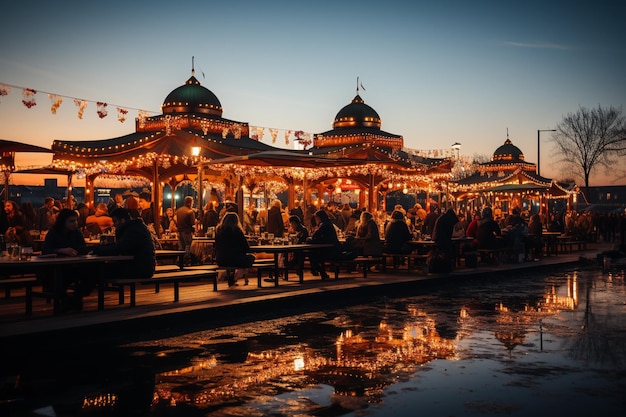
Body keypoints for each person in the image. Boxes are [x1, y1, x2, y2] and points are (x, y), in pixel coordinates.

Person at [41, 209, 91, 310]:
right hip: (53, 269)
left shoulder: (77, 233)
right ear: (63, 221)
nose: (75, 223)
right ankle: (70, 300)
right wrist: (61, 250)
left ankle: (75, 297)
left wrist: (80, 251)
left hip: (73, 266)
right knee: (60, 277)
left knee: (92, 273)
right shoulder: (53, 233)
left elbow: (82, 248)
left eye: (76, 221)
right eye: (71, 221)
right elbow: (45, 251)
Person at [90, 208, 156, 280]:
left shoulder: (132, 230)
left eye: (115, 221)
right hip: (142, 266)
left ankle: (83, 291)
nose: (114, 225)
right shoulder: (135, 227)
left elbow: (119, 248)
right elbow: (119, 246)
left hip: (139, 269)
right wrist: (99, 249)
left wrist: (97, 250)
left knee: (95, 271)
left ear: (122, 220)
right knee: (97, 270)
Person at [214, 212, 255, 286]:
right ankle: (234, 278)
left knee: (239, 260)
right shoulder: (236, 230)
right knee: (250, 258)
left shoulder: (218, 231)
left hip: (221, 259)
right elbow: (246, 247)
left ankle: (232, 277)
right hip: (235, 259)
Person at [307, 209, 341, 280]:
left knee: (312, 255)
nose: (316, 220)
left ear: (319, 218)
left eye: (316, 218)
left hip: (330, 251)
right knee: (314, 254)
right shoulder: (328, 223)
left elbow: (316, 235)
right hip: (332, 248)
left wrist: (310, 239)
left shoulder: (324, 224)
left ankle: (319, 271)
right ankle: (321, 272)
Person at [175, 196, 196, 265]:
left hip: (179, 230)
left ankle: (179, 260)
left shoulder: (179, 210)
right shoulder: (190, 212)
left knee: (181, 246)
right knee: (188, 245)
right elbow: (192, 223)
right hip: (187, 231)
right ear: (190, 203)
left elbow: (176, 220)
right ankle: (186, 259)